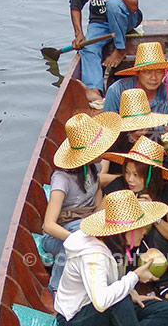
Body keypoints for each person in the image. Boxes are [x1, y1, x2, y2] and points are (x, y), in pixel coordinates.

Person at [53, 189, 168, 326]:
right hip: (75, 317)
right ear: (124, 232)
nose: (144, 231)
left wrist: (132, 293)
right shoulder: (93, 256)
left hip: (105, 309)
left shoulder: (117, 245)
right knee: (120, 300)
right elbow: (101, 302)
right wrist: (135, 276)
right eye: (140, 227)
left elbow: (115, 280)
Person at [42, 111, 122, 294]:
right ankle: (56, 286)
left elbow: (97, 192)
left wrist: (99, 222)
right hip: (58, 236)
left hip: (85, 225)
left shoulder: (95, 167)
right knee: (80, 235)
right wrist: (80, 238)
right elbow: (49, 225)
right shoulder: (62, 180)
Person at [102, 136, 168, 300]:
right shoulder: (119, 186)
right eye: (127, 173)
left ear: (150, 176)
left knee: (155, 233)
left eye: (136, 175)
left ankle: (162, 278)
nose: (130, 179)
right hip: (125, 248)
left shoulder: (167, 190)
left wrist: (154, 215)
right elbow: (99, 222)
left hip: (155, 248)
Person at [103, 41, 168, 177]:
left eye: (158, 72)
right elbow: (107, 131)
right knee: (111, 159)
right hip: (125, 147)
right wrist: (131, 136)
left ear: (164, 73)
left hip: (156, 147)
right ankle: (149, 179)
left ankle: (145, 179)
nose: (154, 78)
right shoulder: (116, 91)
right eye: (148, 72)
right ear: (137, 73)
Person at [99, 88, 168, 187]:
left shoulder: (154, 136)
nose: (142, 132)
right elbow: (101, 178)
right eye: (137, 128)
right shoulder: (112, 139)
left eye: (146, 127)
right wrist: (128, 177)